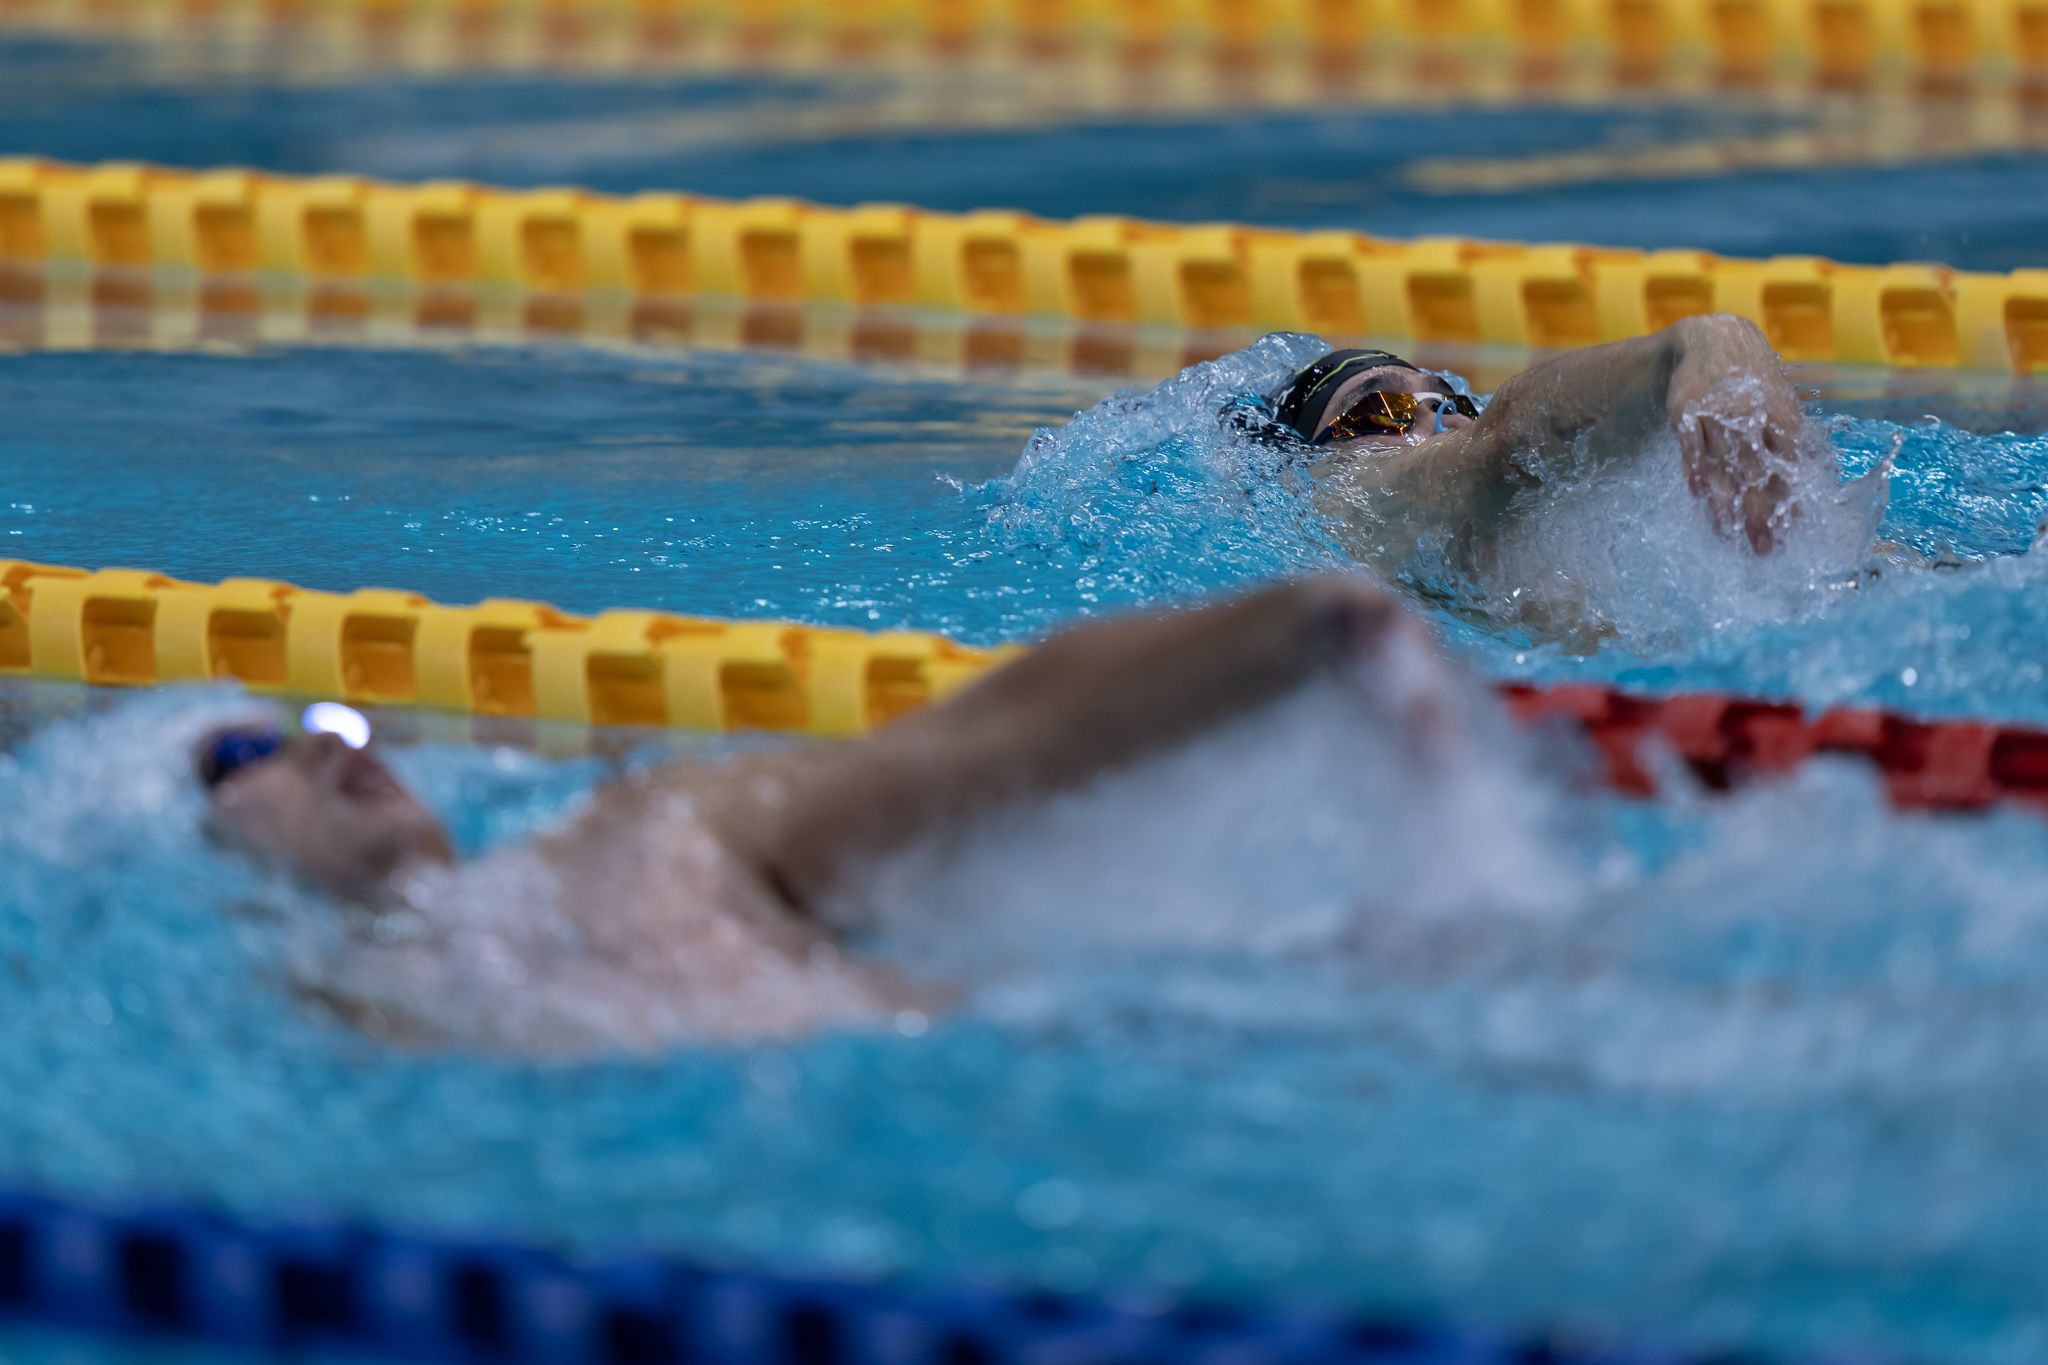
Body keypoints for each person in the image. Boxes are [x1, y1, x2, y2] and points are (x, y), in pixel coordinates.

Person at [197, 575, 1451, 1049]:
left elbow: (968, 745)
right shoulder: (261, 1040)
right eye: (245, 749)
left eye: (331, 723)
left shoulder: (641, 837)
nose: (325, 742)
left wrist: (1273, 637)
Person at [1244, 315, 1824, 614]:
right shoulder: (1339, 498)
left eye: (1452, 405)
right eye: (1379, 409)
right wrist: (1708, 342)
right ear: (1302, 465)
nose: (1433, 422)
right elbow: (1502, 449)